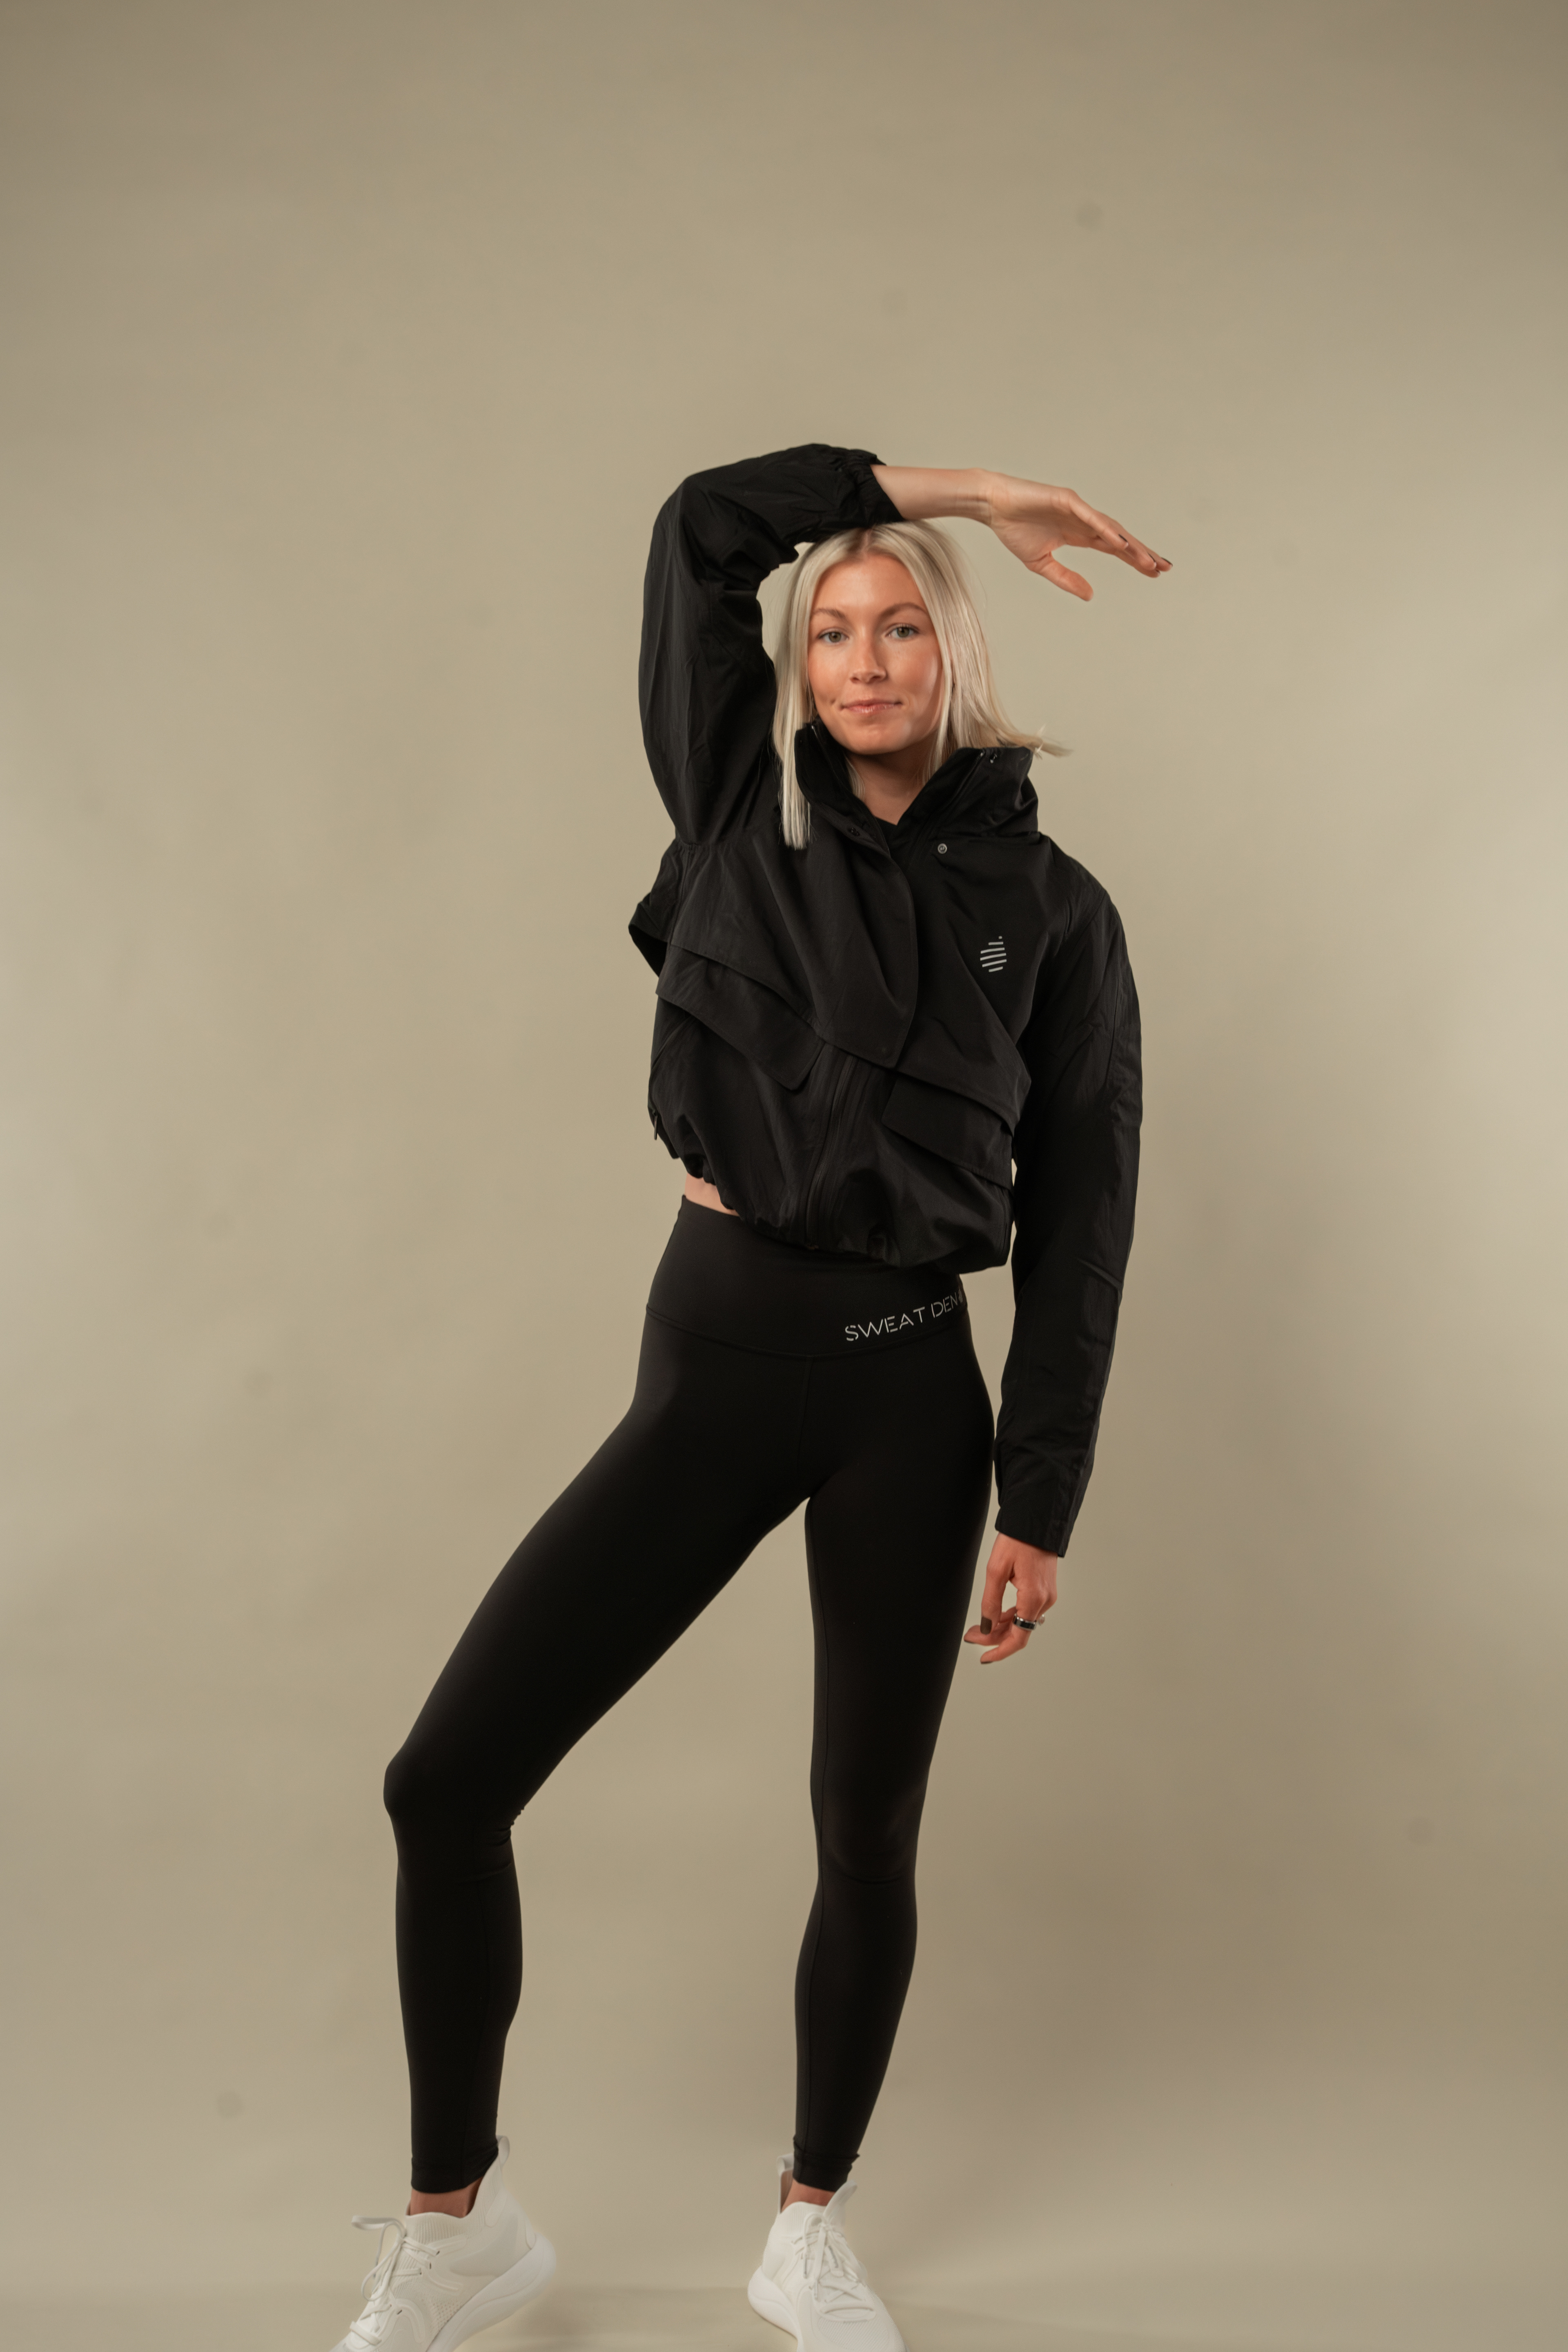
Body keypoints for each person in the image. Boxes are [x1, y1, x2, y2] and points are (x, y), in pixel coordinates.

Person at [330, 446, 1167, 2352]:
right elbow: (701, 531)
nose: (863, 662)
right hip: (709, 1376)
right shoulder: (737, 808)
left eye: (902, 628)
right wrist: (968, 487)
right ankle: (457, 2228)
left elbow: (1087, 1218)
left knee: (864, 1831)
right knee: (445, 1782)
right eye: (834, 632)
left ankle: (809, 2225)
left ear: (956, 657)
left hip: (904, 1406)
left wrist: (1041, 1495)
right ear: (798, 664)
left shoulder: (1058, 910)